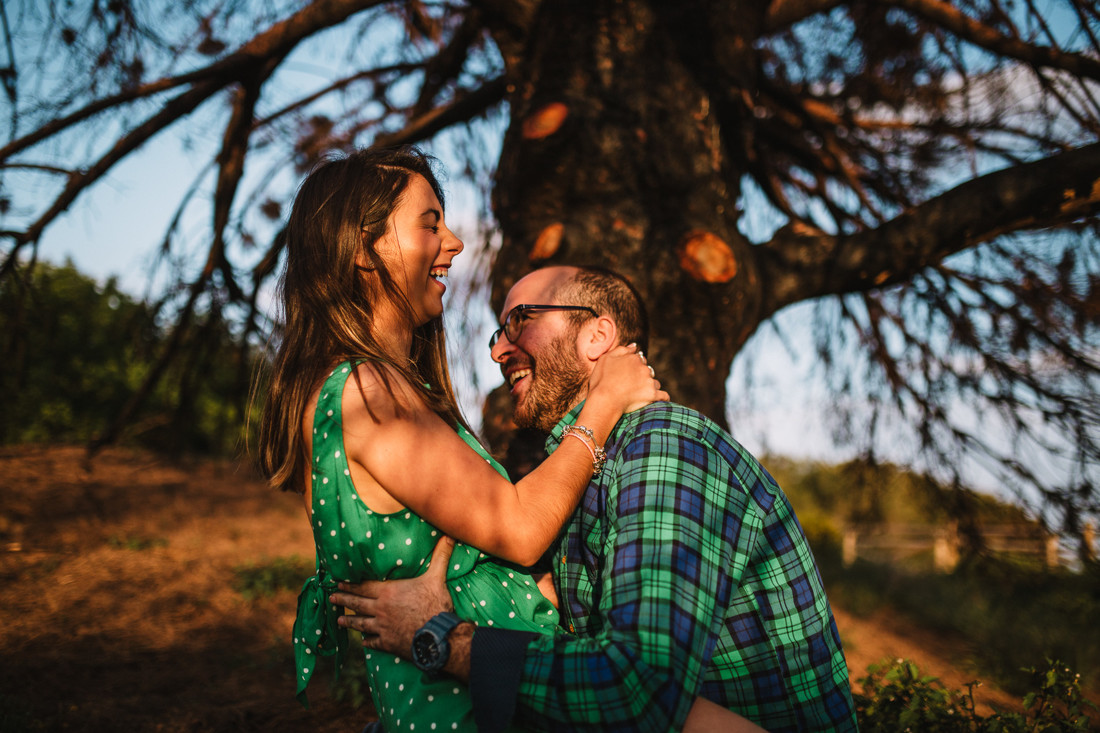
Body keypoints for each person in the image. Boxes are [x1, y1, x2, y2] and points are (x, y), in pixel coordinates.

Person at [254, 148, 757, 733]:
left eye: (523, 320)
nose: (455, 244)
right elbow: (518, 529)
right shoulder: (367, 391)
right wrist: (604, 403)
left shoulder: (379, 390)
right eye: (430, 223)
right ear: (365, 248)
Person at [333, 265, 859, 732]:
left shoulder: (665, 446)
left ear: (597, 335)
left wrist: (441, 640)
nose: (497, 349)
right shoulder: (581, 473)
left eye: (520, 320)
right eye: (498, 331)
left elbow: (633, 689)